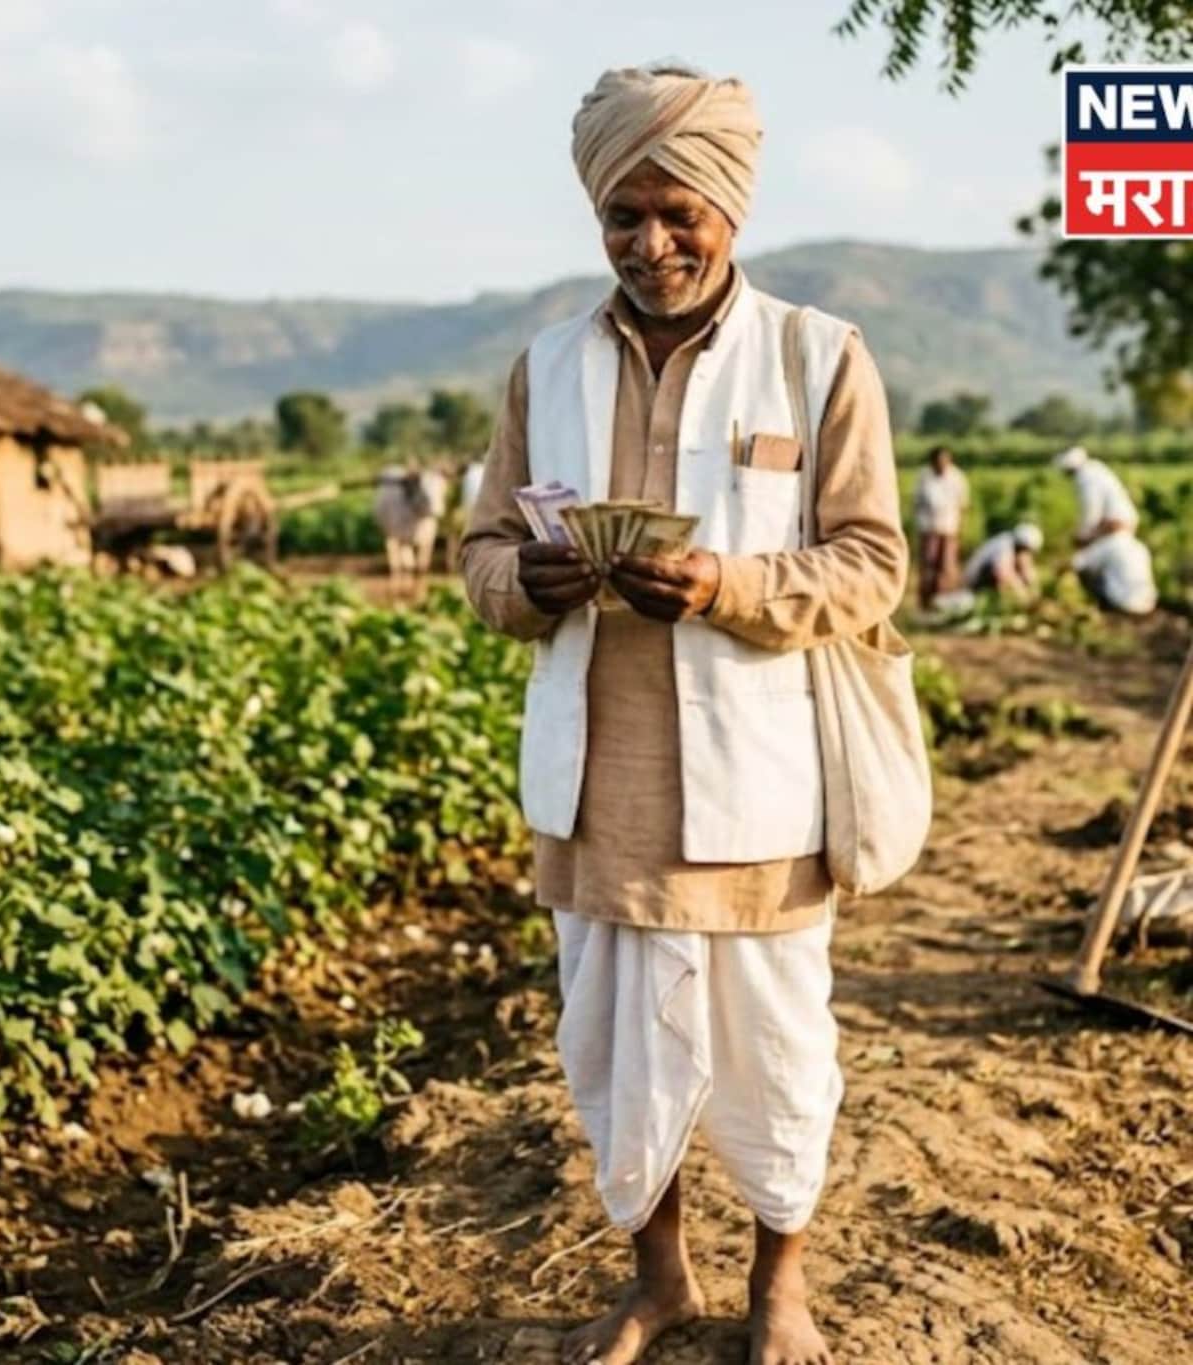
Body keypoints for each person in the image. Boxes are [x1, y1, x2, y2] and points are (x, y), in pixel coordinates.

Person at [459, 62, 907, 1365]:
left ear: (729, 209)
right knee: (614, 1051)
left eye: (678, 214)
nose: (650, 243)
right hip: (599, 783)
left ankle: (781, 1284)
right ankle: (659, 1281)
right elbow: (481, 552)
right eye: (623, 216)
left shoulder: (816, 357)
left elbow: (872, 562)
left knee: (775, 1045)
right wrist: (527, 583)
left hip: (760, 779)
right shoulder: (546, 366)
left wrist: (728, 584)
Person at [1056, 446, 1157, 615]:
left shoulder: (1086, 477)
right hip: (1149, 604)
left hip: (1124, 604)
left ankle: (1100, 607)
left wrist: (1083, 536)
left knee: (1092, 570)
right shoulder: (1139, 547)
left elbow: (1091, 512)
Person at [910, 445, 970, 611]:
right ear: (932, 463)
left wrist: (960, 528)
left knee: (947, 567)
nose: (942, 465)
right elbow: (916, 503)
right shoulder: (923, 477)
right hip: (928, 528)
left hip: (949, 529)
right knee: (928, 566)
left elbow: (963, 505)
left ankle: (943, 602)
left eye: (945, 461)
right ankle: (926, 603)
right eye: (938, 462)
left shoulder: (957, 477)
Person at [961, 521, 1042, 601]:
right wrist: (1021, 592)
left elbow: (1027, 570)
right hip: (974, 583)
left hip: (981, 580)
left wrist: (1033, 589)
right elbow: (1002, 572)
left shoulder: (1014, 546)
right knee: (1004, 577)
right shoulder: (1005, 544)